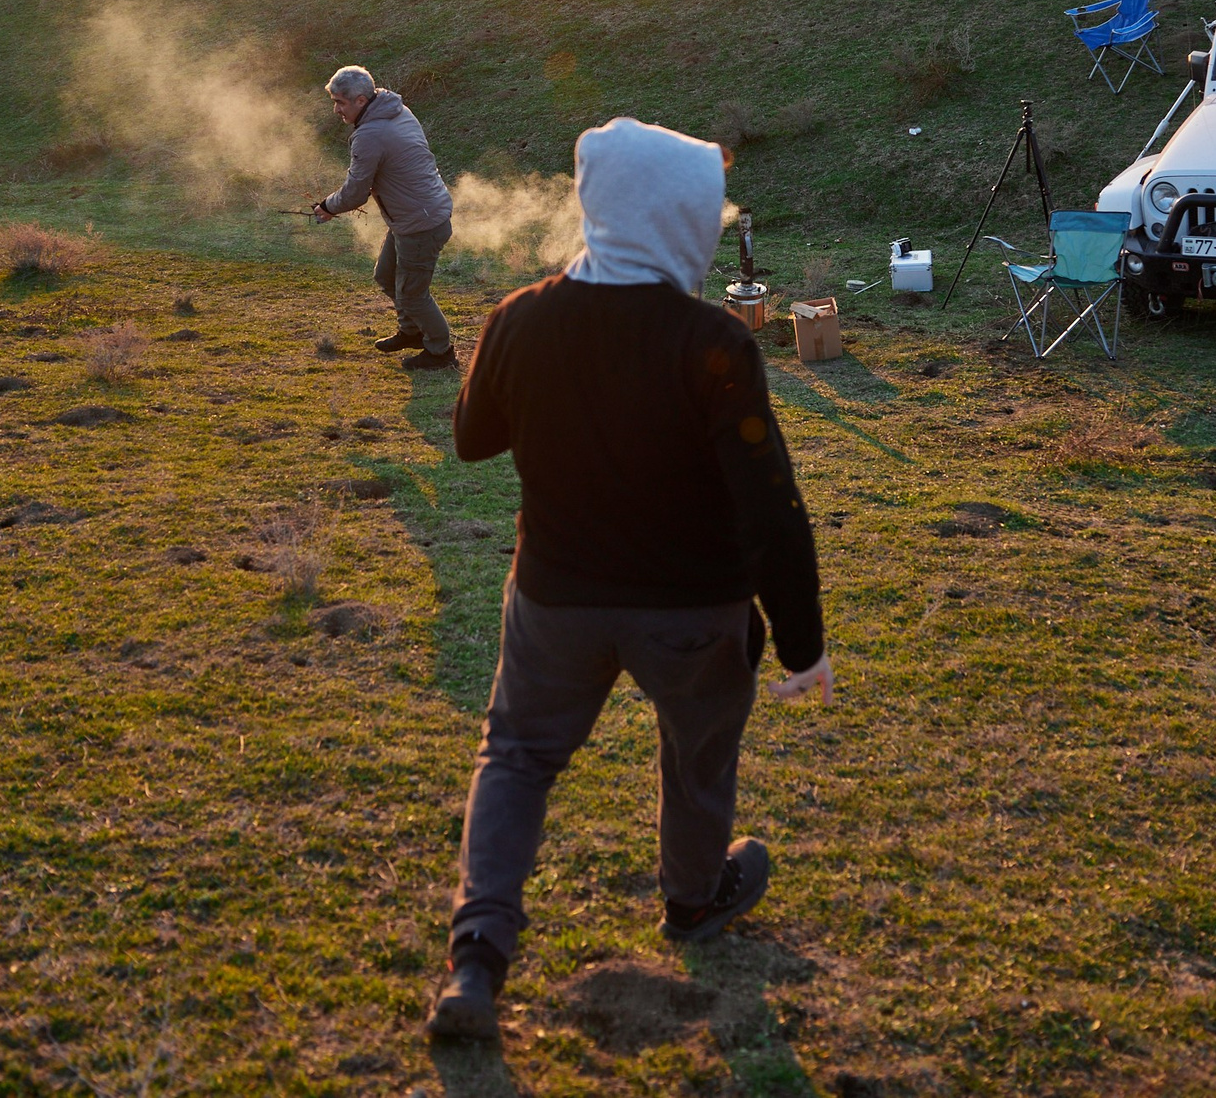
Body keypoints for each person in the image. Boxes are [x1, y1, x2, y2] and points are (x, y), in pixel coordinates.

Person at [426, 118, 831, 1042]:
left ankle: (477, 959)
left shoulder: (521, 317)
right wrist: (802, 645)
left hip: (556, 602)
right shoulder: (713, 341)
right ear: (681, 221)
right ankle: (693, 899)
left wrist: (509, 347)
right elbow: (770, 508)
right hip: (695, 612)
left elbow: (470, 439)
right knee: (697, 754)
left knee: (517, 759)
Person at [309, 66, 458, 371]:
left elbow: (354, 193)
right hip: (416, 216)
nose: (336, 109)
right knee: (386, 275)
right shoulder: (397, 109)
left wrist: (328, 206)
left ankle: (441, 352)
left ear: (361, 100)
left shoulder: (369, 135)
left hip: (421, 223)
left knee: (413, 294)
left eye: (340, 102)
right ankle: (412, 332)